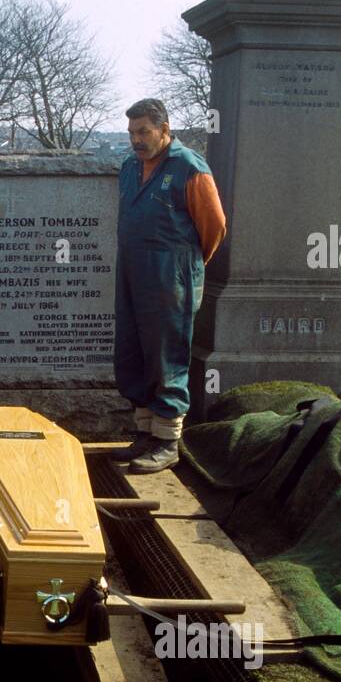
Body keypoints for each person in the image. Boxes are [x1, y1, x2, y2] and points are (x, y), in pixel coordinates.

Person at [112, 99, 226, 474]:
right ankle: (145, 433)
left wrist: (185, 266)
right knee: (133, 351)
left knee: (167, 356)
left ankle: (167, 441)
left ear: (164, 128)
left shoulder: (189, 168)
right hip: (131, 271)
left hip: (169, 275)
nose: (136, 140)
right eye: (131, 133)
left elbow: (214, 226)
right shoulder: (130, 166)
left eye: (143, 131)